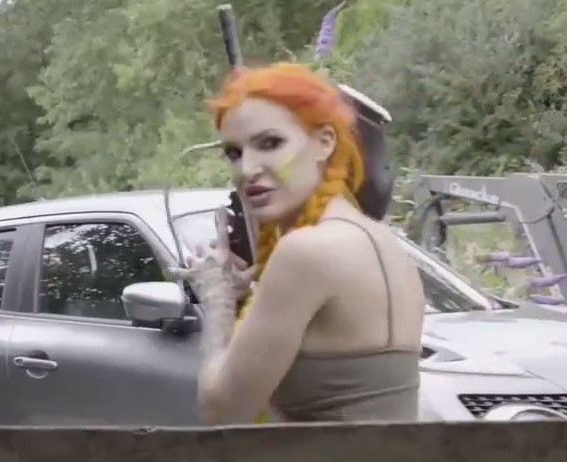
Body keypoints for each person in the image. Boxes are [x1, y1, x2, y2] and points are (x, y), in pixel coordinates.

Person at [179, 63, 426, 424]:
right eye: (234, 153)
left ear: (324, 142)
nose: (247, 169)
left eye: (270, 143)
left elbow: (223, 411)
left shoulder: (304, 253)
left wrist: (216, 301)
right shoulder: (386, 243)